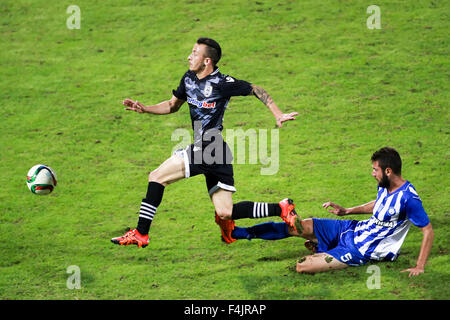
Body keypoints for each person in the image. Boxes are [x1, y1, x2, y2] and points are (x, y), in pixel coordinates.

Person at [111, 37, 299, 247]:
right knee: (225, 212)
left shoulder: (222, 83)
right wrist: (145, 108)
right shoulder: (188, 79)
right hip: (217, 151)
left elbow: (255, 89)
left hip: (209, 147)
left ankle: (141, 233)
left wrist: (278, 114)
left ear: (207, 61)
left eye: (194, 53)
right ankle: (281, 208)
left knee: (156, 177)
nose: (189, 57)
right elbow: (172, 105)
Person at [230, 147, 434, 277]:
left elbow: (428, 231)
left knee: (302, 266)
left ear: (388, 171)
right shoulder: (385, 186)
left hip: (361, 251)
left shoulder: (409, 198)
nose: (372, 173)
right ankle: (237, 233)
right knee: (297, 226)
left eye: (375, 170)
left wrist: (420, 266)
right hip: (352, 228)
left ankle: (324, 248)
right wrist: (346, 211)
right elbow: (379, 204)